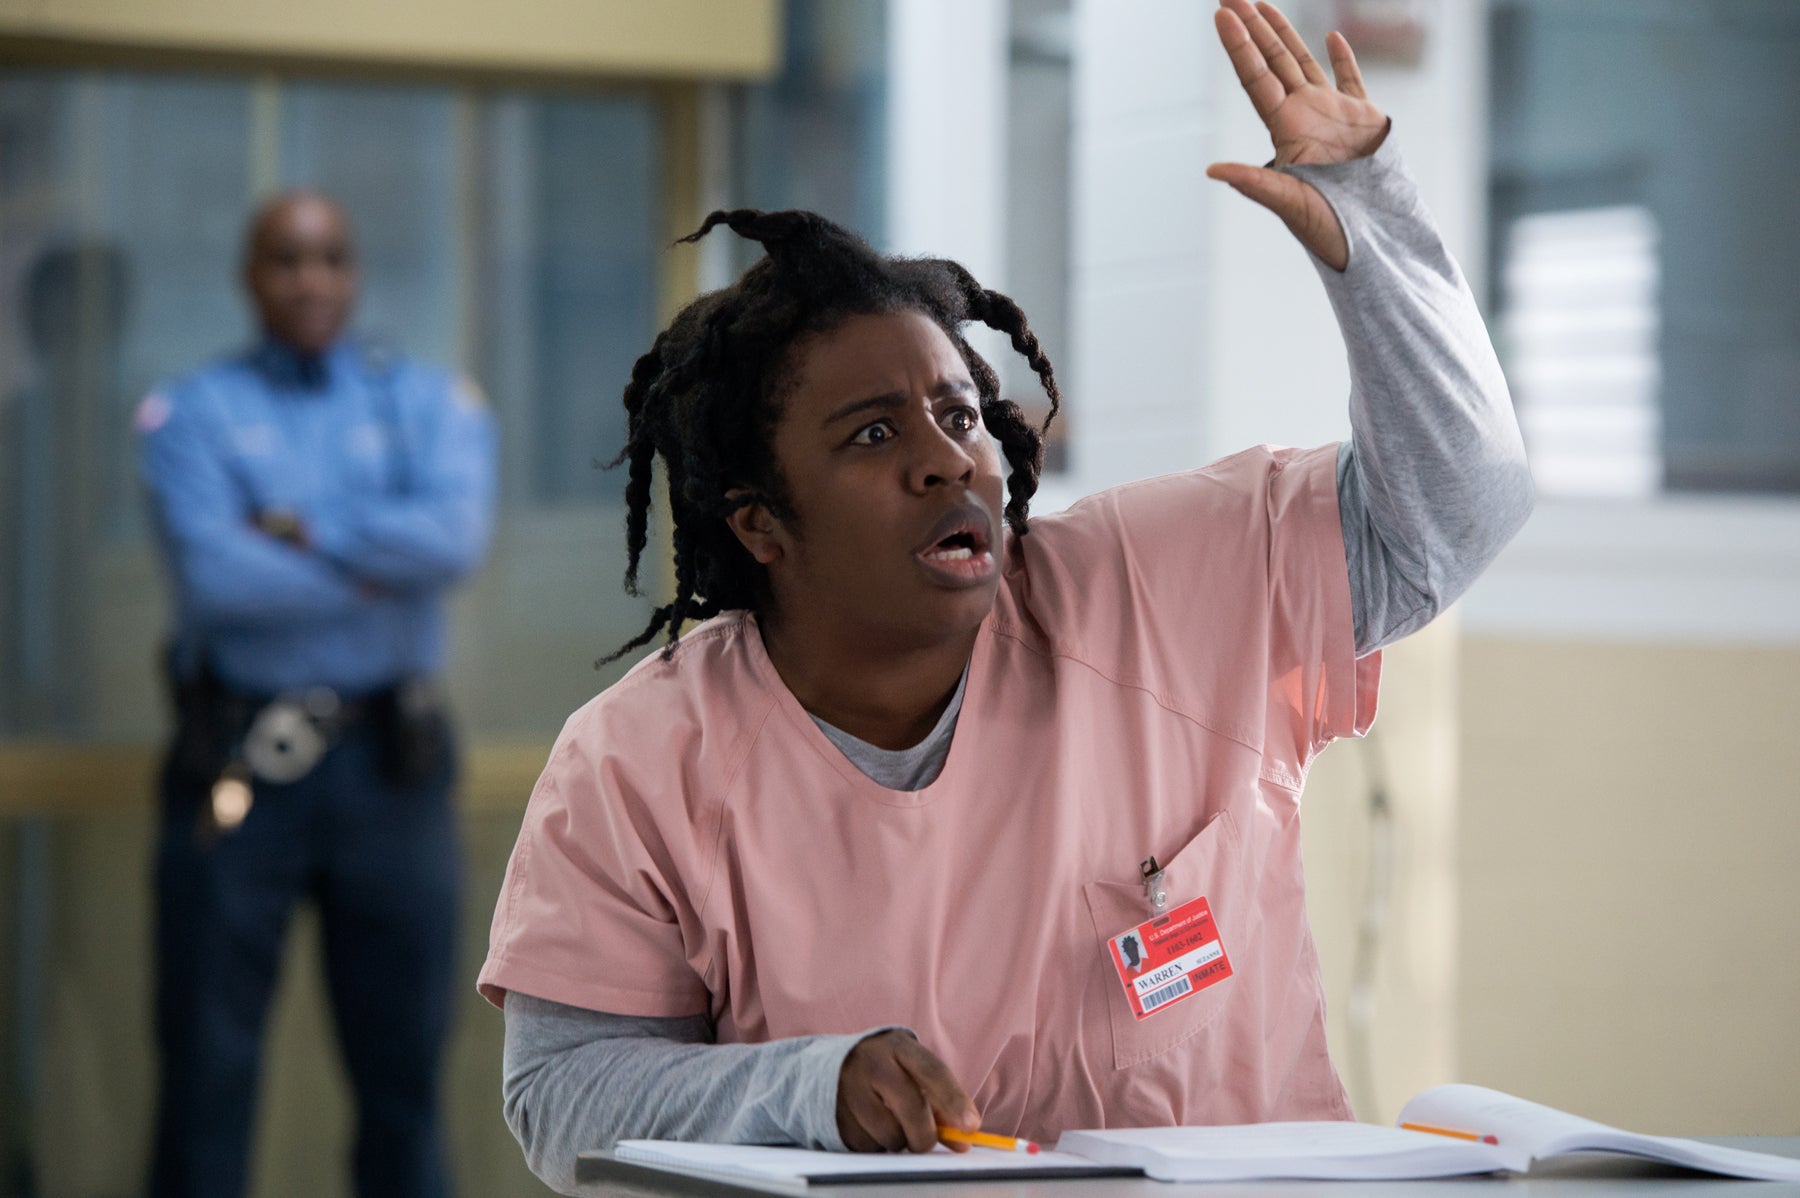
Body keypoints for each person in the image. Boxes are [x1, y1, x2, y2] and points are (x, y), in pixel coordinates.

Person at [480, 0, 1532, 1191]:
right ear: (759, 522)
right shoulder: (639, 761)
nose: (945, 460)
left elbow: (1465, 511)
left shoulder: (1162, 585)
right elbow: (563, 1094)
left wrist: (1377, 228)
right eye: (873, 433)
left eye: (960, 414)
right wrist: (810, 1088)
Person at [137, 190, 496, 1198]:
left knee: (404, 1083)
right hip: (238, 764)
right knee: (207, 1075)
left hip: (392, 764)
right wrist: (377, 547)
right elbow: (218, 579)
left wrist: (295, 526)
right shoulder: (195, 411)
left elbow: (453, 539)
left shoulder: (424, 400)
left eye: (331, 257)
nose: (311, 278)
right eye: (286, 259)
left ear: (356, 271)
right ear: (250, 275)